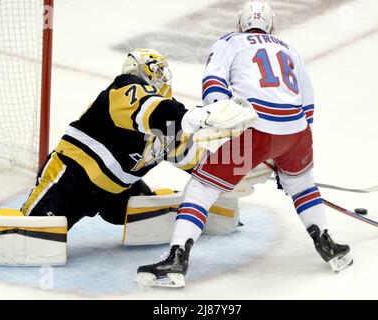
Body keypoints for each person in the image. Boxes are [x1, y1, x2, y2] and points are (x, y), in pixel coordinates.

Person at [136, 1, 352, 289]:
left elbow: (214, 85)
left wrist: (223, 122)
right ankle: (328, 245)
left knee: (202, 187)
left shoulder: (230, 41)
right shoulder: (288, 48)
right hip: (297, 131)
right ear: (272, 26)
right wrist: (284, 152)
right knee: (302, 186)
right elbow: (308, 102)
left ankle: (176, 259)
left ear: (239, 23)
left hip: (254, 129)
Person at [20, 48, 255, 230]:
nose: (164, 77)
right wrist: (199, 116)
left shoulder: (169, 124)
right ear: (146, 71)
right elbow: (157, 110)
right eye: (159, 70)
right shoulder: (123, 91)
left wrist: (236, 172)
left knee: (147, 210)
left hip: (116, 194)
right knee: (32, 234)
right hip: (70, 181)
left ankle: (183, 213)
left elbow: (192, 159)